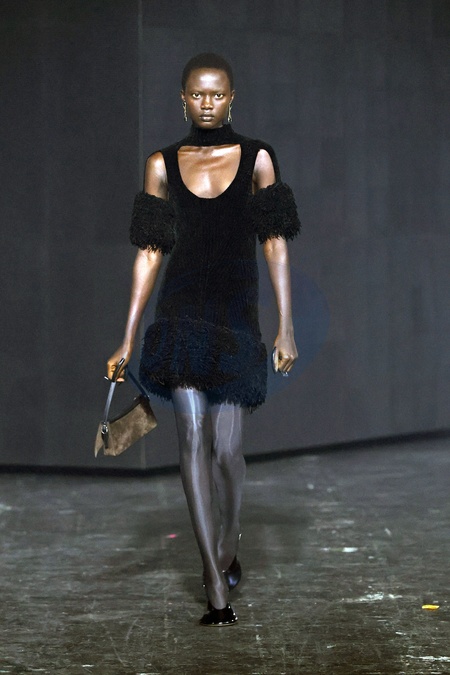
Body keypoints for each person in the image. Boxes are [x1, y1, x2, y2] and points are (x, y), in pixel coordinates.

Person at [107, 53, 300, 626]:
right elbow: (150, 251)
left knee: (227, 451)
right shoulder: (161, 164)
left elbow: (275, 241)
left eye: (217, 94)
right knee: (191, 434)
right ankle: (213, 579)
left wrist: (286, 324)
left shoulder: (258, 158)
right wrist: (127, 336)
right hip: (181, 313)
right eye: (197, 94)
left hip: (236, 316)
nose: (207, 103)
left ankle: (229, 536)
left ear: (232, 97)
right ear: (183, 99)